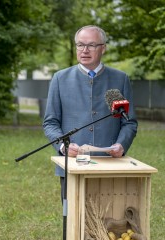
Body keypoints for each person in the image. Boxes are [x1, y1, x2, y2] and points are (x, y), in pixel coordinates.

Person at [43, 25, 137, 201]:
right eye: (80, 45)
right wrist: (63, 147)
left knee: (108, 219)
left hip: (109, 163)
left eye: (92, 45)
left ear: (103, 48)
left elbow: (129, 122)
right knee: (74, 220)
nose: (84, 50)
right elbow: (50, 122)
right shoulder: (60, 79)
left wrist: (121, 145)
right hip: (72, 162)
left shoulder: (120, 79)